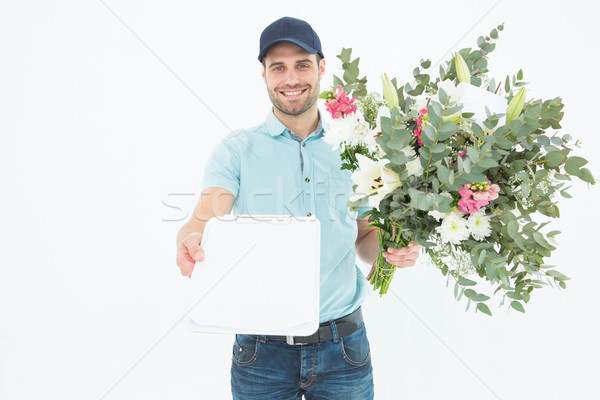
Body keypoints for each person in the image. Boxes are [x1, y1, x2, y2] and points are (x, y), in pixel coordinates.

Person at [175, 16, 421, 400]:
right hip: (260, 352)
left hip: (344, 347)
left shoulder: (357, 144)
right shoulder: (236, 149)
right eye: (279, 68)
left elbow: (365, 234)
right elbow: (205, 214)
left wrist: (391, 251)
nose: (291, 79)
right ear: (264, 75)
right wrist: (191, 238)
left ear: (322, 68)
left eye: (302, 65)